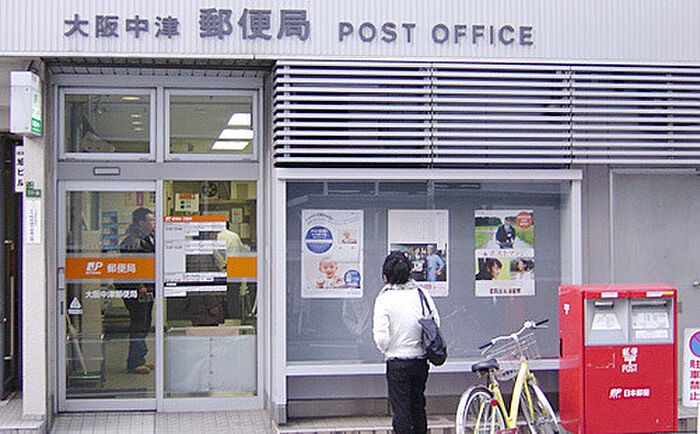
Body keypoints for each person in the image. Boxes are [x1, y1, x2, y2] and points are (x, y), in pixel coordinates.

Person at [373, 251, 440, 434]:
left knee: (401, 410)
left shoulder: (384, 299)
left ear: (385, 276)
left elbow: (381, 337)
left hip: (397, 361)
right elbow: (434, 324)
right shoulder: (422, 294)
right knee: (418, 406)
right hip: (420, 361)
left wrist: (387, 349)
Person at [120, 207, 155, 374]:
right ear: (141, 223)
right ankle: (135, 362)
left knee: (144, 322)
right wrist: (139, 285)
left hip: (146, 288)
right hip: (138, 290)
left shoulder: (145, 238)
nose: (154, 223)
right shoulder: (133, 240)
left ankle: (140, 358)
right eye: (151, 220)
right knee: (139, 324)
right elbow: (131, 265)